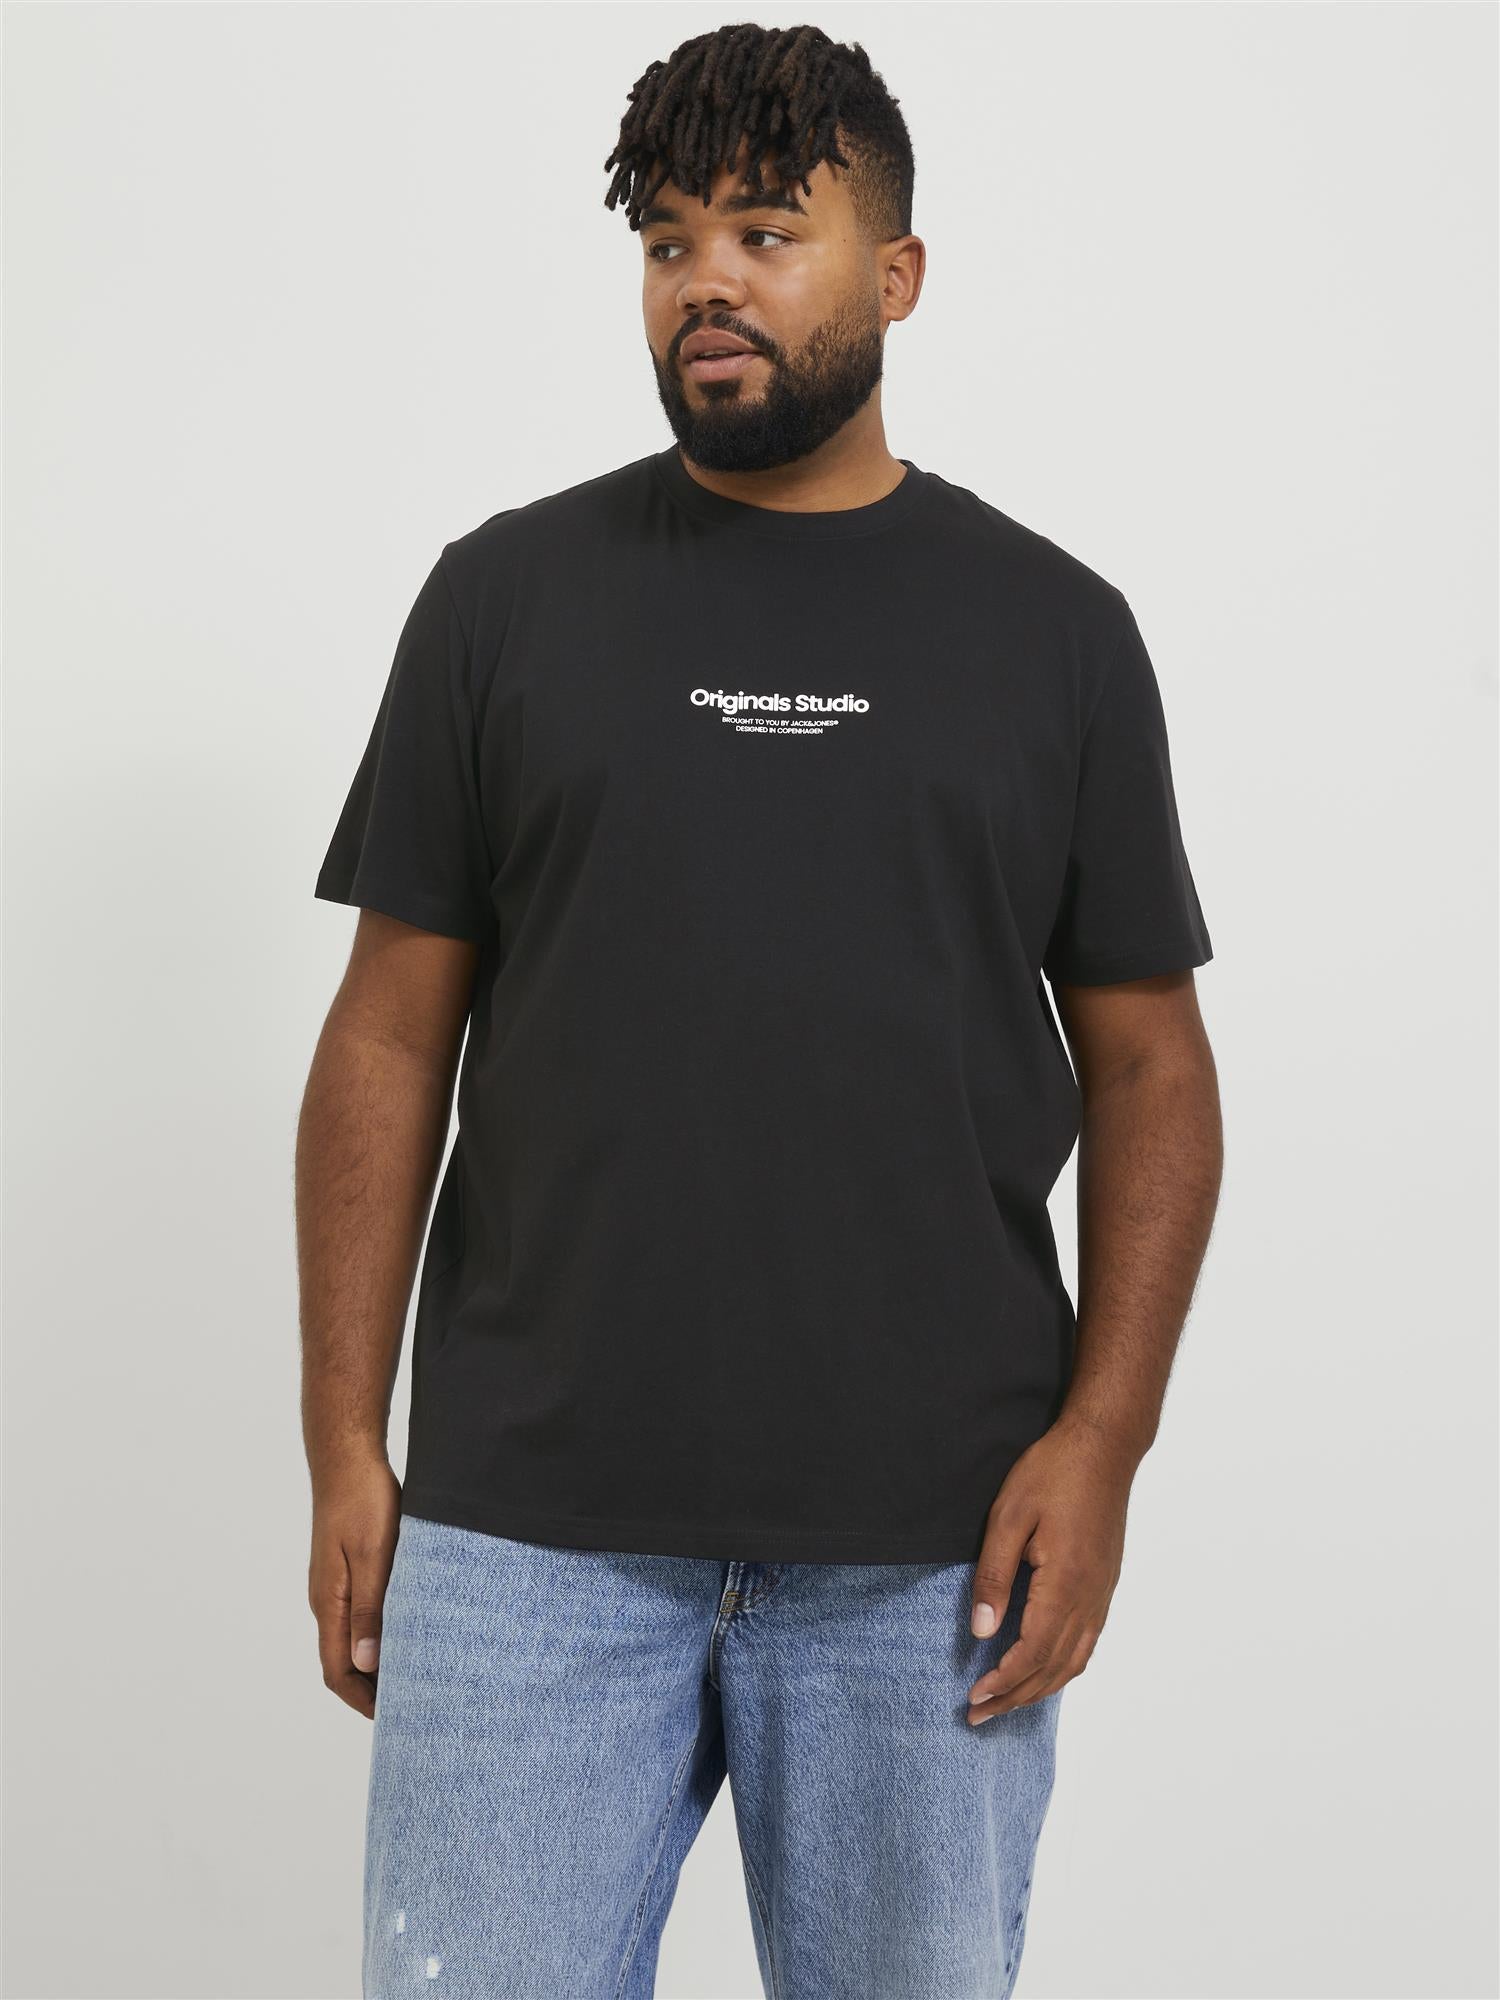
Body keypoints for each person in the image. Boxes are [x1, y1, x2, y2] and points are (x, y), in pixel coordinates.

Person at [295, 22, 1223, 1999]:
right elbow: (384, 1036)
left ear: (898, 274)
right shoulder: (501, 602)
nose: (704, 280)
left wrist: (1106, 1440)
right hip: (526, 1539)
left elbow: (1153, 1062)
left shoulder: (1055, 634)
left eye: (765, 232)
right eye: (667, 240)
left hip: (935, 1544)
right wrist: (341, 1442)